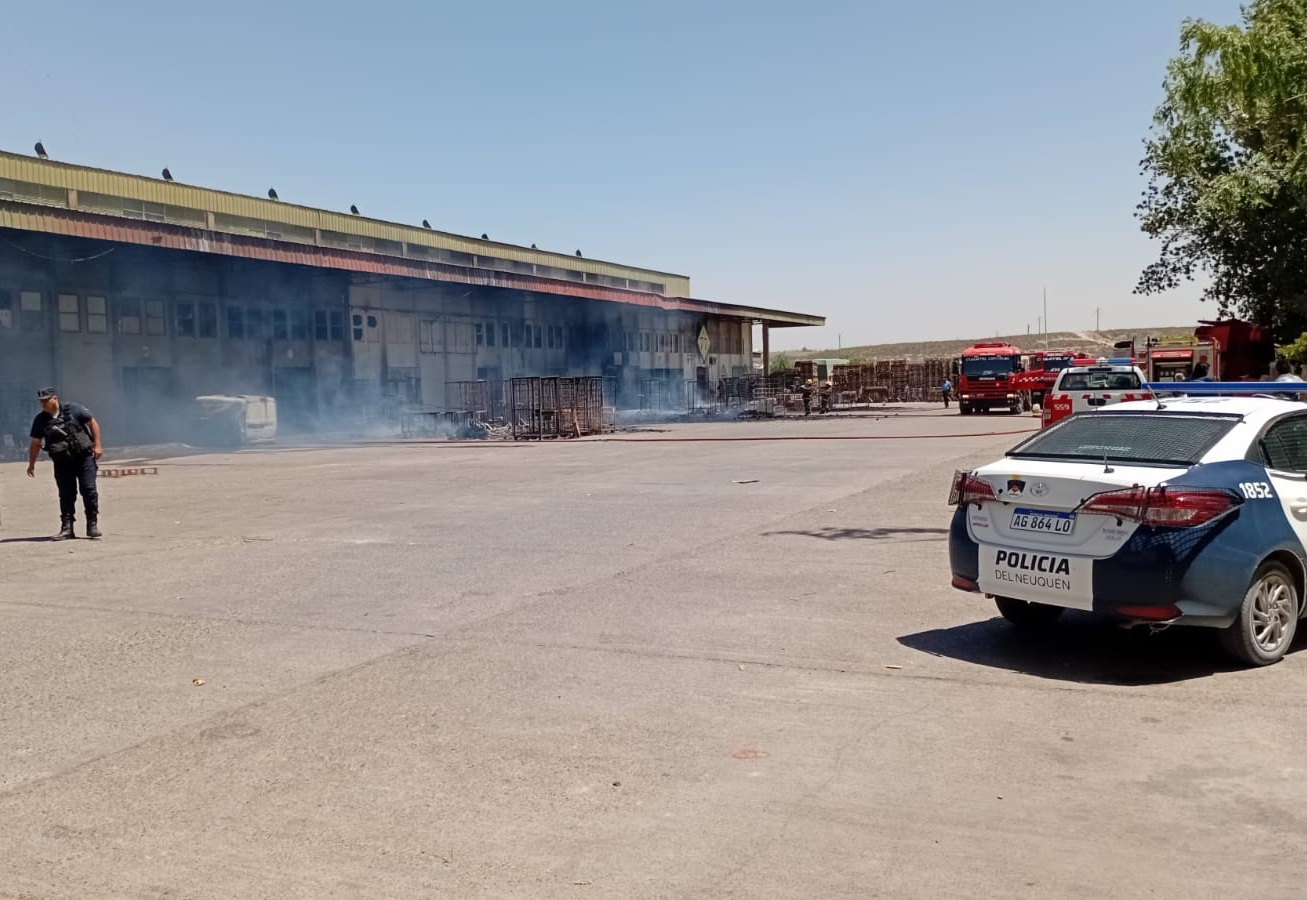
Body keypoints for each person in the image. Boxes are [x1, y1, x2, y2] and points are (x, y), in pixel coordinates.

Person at [27, 387, 103, 540]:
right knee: (66, 494)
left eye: (46, 400)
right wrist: (31, 463)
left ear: (54, 398)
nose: (43, 404)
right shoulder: (40, 420)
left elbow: (92, 422)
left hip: (83, 457)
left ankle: (92, 525)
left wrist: (98, 445)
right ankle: (67, 528)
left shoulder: (74, 409)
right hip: (62, 462)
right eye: (41, 401)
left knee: (89, 489)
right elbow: (35, 442)